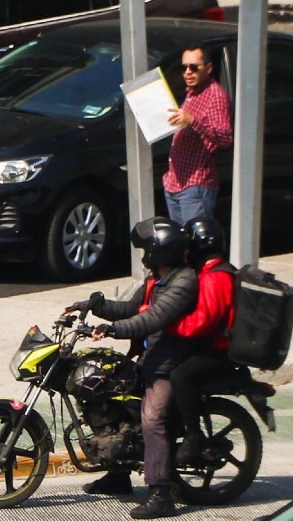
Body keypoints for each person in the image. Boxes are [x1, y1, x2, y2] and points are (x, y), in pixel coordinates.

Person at [66, 217, 198, 519]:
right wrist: (92, 305)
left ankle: (160, 494)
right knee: (104, 394)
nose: (143, 256)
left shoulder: (183, 281)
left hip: (170, 362)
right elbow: (129, 308)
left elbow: (152, 319)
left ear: (158, 250)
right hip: (150, 357)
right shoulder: (156, 278)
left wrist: (112, 330)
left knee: (152, 419)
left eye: (146, 250)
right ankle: (118, 475)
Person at [168, 216, 242, 465]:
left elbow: (202, 322)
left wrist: (167, 324)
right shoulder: (208, 273)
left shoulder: (216, 277)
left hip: (219, 351)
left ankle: (194, 434)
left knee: (180, 376)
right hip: (209, 345)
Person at [163, 46, 233, 225]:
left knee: (196, 245)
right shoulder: (192, 93)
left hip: (196, 187)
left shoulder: (215, 96)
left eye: (194, 67)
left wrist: (193, 121)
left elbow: (225, 138)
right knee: (181, 245)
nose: (188, 72)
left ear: (208, 68)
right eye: (184, 67)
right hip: (175, 182)